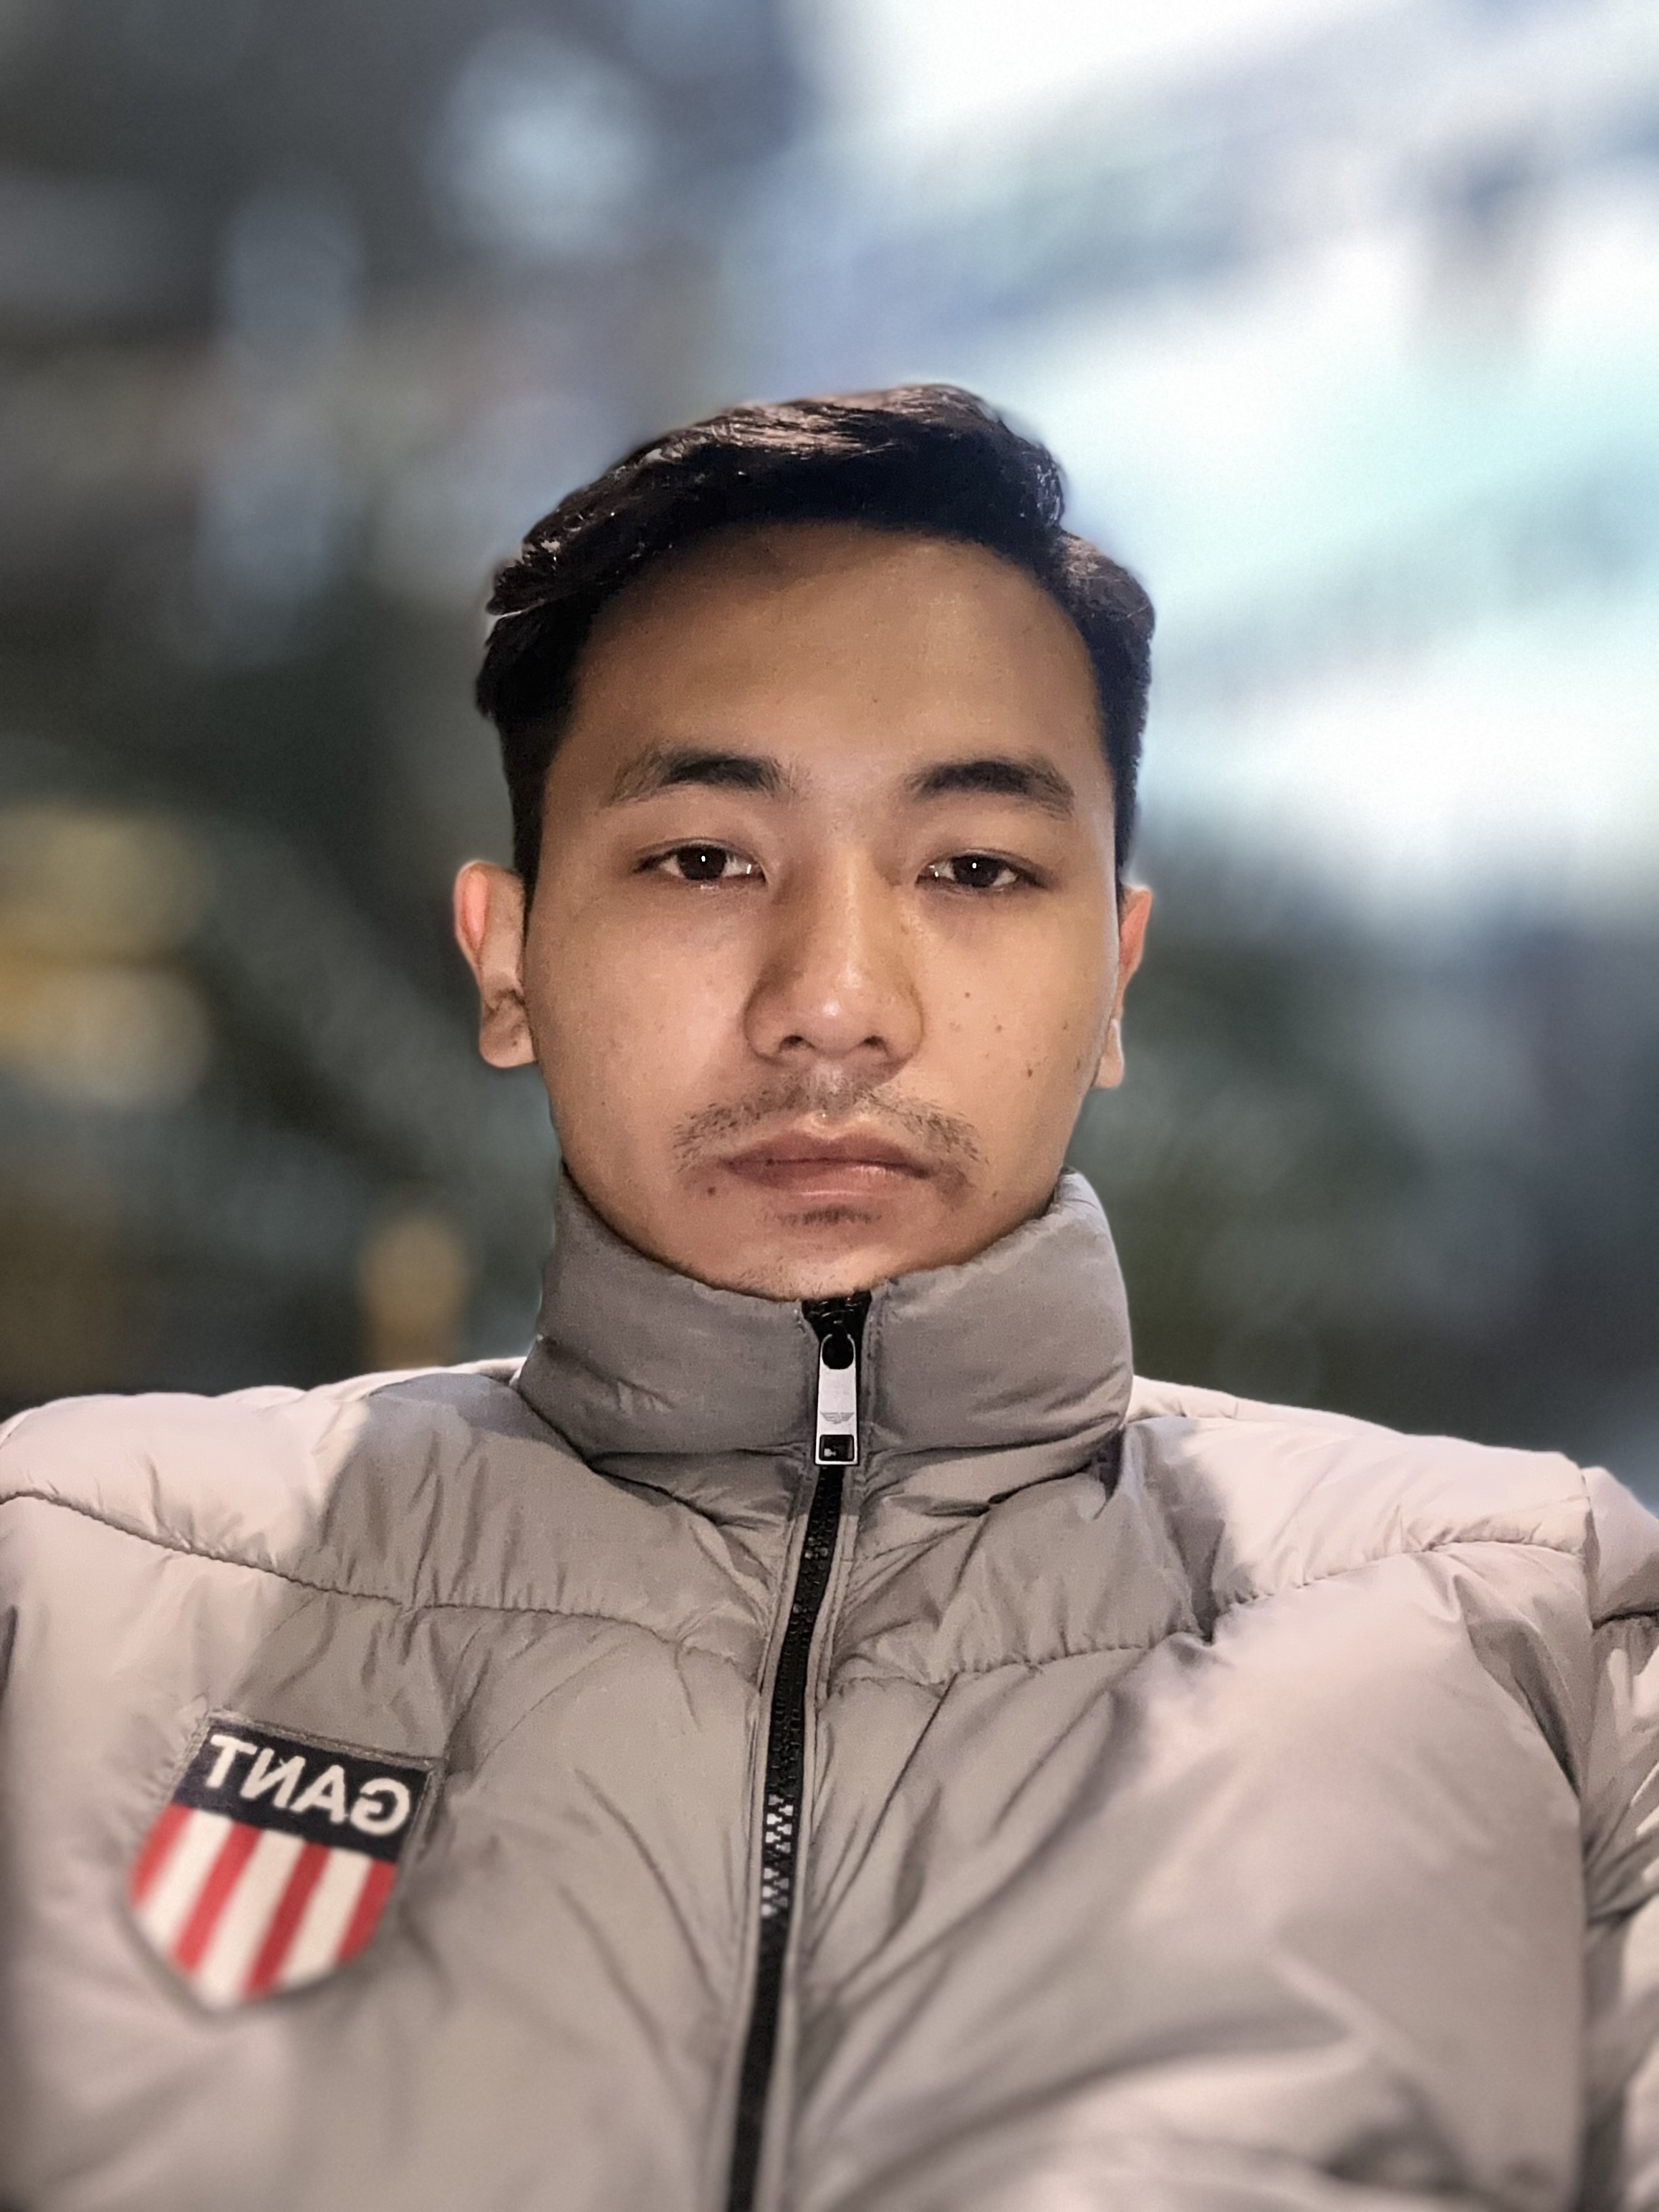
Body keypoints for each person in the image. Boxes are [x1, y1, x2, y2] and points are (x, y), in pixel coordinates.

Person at [1, 385, 1656, 2212]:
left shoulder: (1530, 1633)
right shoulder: (71, 1588)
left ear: (1113, 975)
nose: (836, 1001)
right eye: (704, 857)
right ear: (508, 956)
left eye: (976, 867)